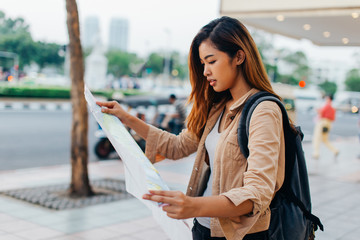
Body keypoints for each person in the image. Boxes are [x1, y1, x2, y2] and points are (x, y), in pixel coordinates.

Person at [97, 16, 285, 240]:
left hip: (237, 234)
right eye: (202, 64)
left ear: (239, 56)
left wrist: (194, 205)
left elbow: (258, 192)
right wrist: (126, 118)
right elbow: (178, 146)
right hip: (203, 228)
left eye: (211, 61)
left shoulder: (263, 110)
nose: (205, 71)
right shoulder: (217, 108)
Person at [312, 94, 339, 160]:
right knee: (325, 139)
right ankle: (335, 150)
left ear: (329, 98)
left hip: (323, 122)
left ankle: (316, 153)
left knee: (317, 138)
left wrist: (318, 110)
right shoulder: (333, 106)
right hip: (329, 123)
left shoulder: (326, 105)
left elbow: (321, 113)